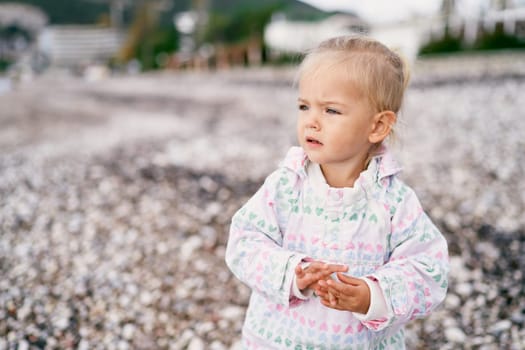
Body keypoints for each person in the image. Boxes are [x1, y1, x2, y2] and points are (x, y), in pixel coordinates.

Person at [225, 35, 449, 349]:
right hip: (278, 339)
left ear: (377, 126)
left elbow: (429, 271)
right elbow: (244, 242)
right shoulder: (286, 186)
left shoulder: (394, 202)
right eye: (304, 106)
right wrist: (292, 272)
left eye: (331, 111)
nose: (311, 122)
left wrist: (373, 295)